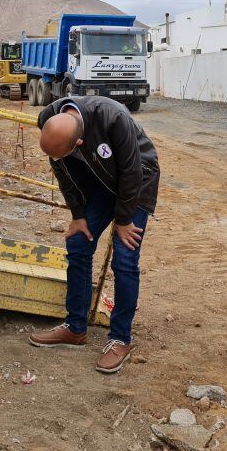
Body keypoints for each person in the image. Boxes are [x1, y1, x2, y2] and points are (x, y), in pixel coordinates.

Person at [27, 95, 159, 373]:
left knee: (124, 257)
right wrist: (77, 215)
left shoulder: (113, 117)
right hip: (101, 181)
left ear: (78, 144)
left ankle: (120, 338)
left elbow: (131, 170)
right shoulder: (49, 119)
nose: (54, 159)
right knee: (78, 243)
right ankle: (75, 328)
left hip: (138, 180)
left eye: (62, 153)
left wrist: (123, 220)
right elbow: (61, 169)